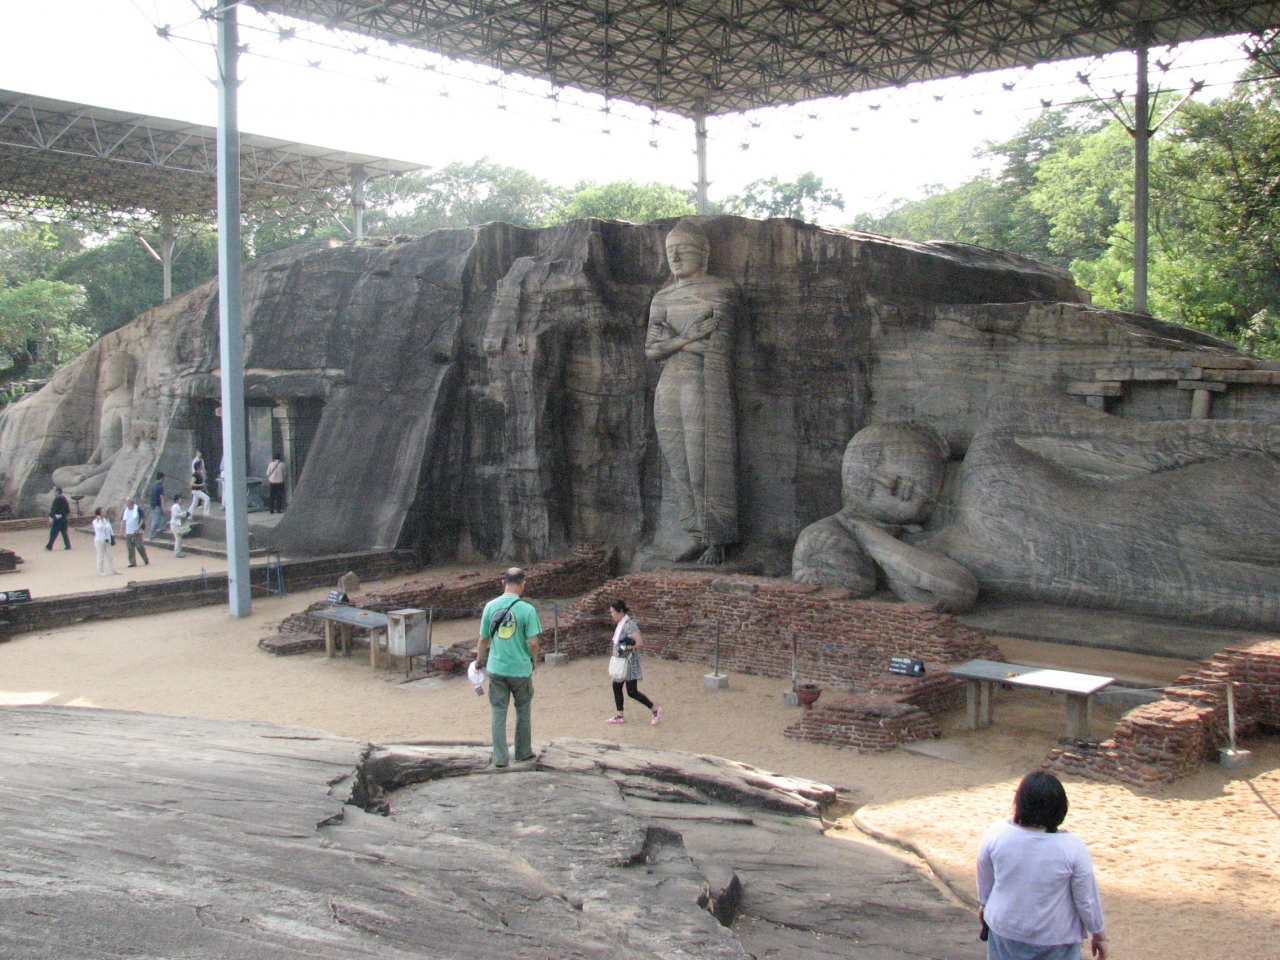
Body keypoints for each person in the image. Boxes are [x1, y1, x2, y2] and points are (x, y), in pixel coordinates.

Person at [645, 220, 740, 565]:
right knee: (679, 466)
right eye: (670, 251)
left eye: (683, 249)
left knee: (704, 461)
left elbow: (718, 348)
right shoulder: (663, 297)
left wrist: (674, 340)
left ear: (704, 252)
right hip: (670, 383)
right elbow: (652, 350)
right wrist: (691, 336)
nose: (676, 256)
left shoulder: (721, 291)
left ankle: (718, 538)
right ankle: (697, 535)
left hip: (702, 382)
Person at [977, 771, 1107, 960]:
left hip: (1005, 929)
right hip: (1055, 936)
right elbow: (1086, 899)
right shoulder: (1072, 847)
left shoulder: (997, 833)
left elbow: (985, 874)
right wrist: (1098, 933)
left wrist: (985, 902)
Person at [476, 568, 542, 768]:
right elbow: (533, 643)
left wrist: (479, 660)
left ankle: (500, 758)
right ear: (523, 584)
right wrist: (534, 661)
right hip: (520, 668)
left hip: (497, 667)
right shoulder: (527, 610)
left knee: (498, 711)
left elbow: (483, 639)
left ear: (503, 583)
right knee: (523, 709)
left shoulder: (490, 606)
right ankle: (522, 752)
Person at [605, 600, 660, 725]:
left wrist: (625, 647)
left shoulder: (629, 625)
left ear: (620, 611)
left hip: (629, 663)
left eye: (613, 612)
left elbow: (639, 643)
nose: (612, 614)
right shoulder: (621, 624)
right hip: (621, 661)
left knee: (632, 692)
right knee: (616, 686)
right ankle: (620, 715)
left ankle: (655, 709)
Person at [120, 496, 149, 567]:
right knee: (130, 547)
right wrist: (121, 531)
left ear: (131, 502)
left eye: (127, 501)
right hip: (128, 531)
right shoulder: (125, 510)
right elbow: (123, 521)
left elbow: (142, 519)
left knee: (139, 546)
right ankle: (132, 562)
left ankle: (145, 559)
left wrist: (138, 528)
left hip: (137, 531)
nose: (126, 503)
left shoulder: (138, 509)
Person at [91, 506, 118, 576]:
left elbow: (110, 528)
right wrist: (99, 520)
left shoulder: (106, 520)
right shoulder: (95, 521)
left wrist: (112, 536)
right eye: (102, 512)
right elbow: (99, 528)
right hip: (100, 541)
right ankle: (101, 570)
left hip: (107, 540)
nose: (104, 513)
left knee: (110, 556)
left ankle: (113, 570)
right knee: (100, 556)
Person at [46, 486, 71, 551]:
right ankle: (68, 545)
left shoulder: (57, 499)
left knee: (53, 532)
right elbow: (68, 509)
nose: (53, 493)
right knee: (64, 532)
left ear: (57, 491)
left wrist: (51, 516)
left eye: (54, 491)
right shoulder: (64, 498)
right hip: (64, 518)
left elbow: (53, 509)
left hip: (57, 518)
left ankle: (49, 545)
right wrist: (64, 514)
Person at [169, 493, 192, 558]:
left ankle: (178, 552)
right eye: (181, 499)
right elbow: (176, 515)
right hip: (175, 524)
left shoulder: (178, 506)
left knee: (178, 538)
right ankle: (177, 552)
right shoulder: (175, 507)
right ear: (177, 500)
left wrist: (185, 515)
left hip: (177, 524)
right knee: (178, 538)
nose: (182, 500)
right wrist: (184, 514)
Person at [148, 473, 167, 540]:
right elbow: (161, 497)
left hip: (154, 504)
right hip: (157, 505)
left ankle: (161, 529)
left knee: (164, 516)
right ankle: (152, 536)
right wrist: (164, 507)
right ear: (161, 478)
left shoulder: (154, 486)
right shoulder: (160, 486)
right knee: (155, 521)